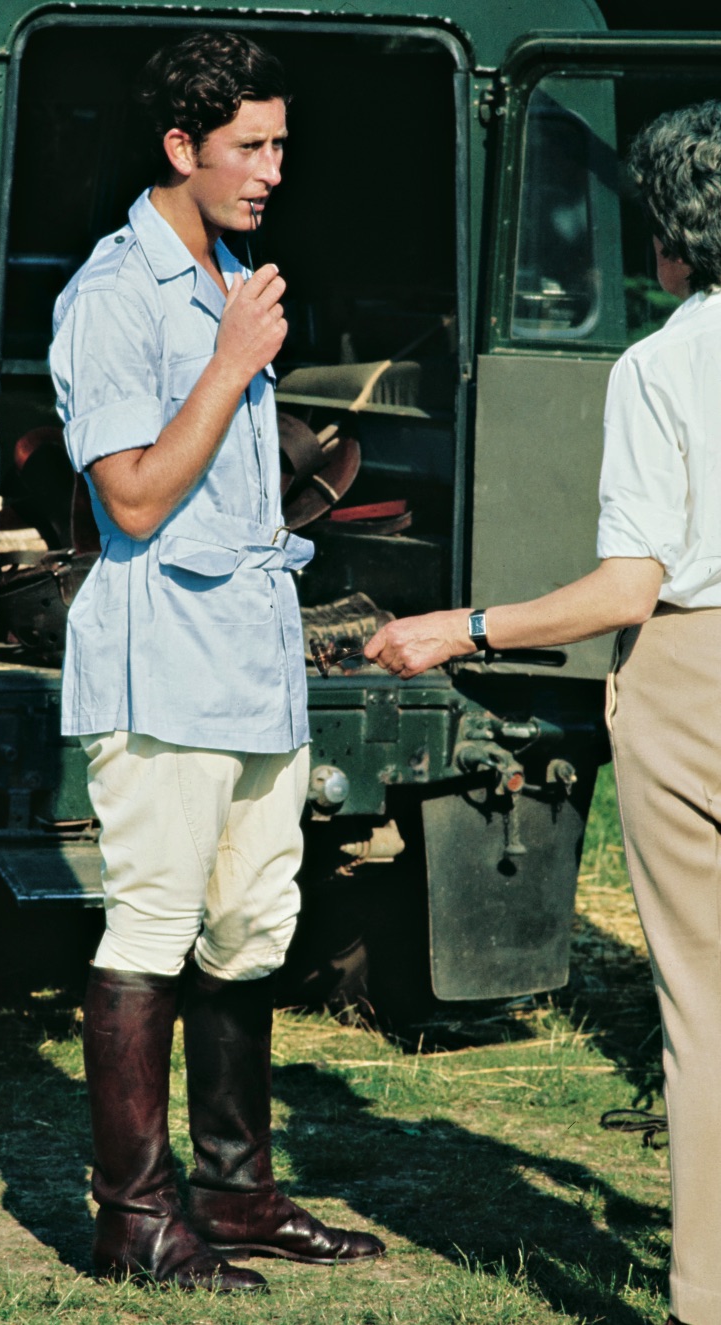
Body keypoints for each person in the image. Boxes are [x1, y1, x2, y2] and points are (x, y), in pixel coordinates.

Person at [365, 98, 721, 1325]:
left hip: (697, 673)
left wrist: (459, 627)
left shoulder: (662, 364)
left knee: (705, 1007)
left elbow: (632, 584)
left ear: (673, 239)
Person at [49, 30, 384, 1293]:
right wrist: (237, 361)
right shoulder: (114, 294)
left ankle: (236, 1195)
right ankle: (133, 1219)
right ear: (182, 147)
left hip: (252, 660)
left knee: (253, 924)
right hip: (161, 665)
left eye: (281, 144)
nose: (272, 169)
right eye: (250, 145)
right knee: (153, 921)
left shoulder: (227, 271)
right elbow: (129, 500)